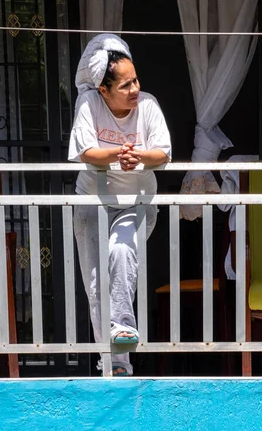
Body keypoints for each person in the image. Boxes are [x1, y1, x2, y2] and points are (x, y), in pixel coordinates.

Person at [68, 34, 171, 376]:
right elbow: (87, 154)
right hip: (92, 202)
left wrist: (140, 155)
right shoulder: (89, 105)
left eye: (136, 80)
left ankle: (124, 329)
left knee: (122, 251)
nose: (134, 89)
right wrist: (118, 153)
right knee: (96, 284)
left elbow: (163, 153)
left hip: (136, 203)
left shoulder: (149, 106)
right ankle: (115, 364)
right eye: (125, 85)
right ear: (104, 90)